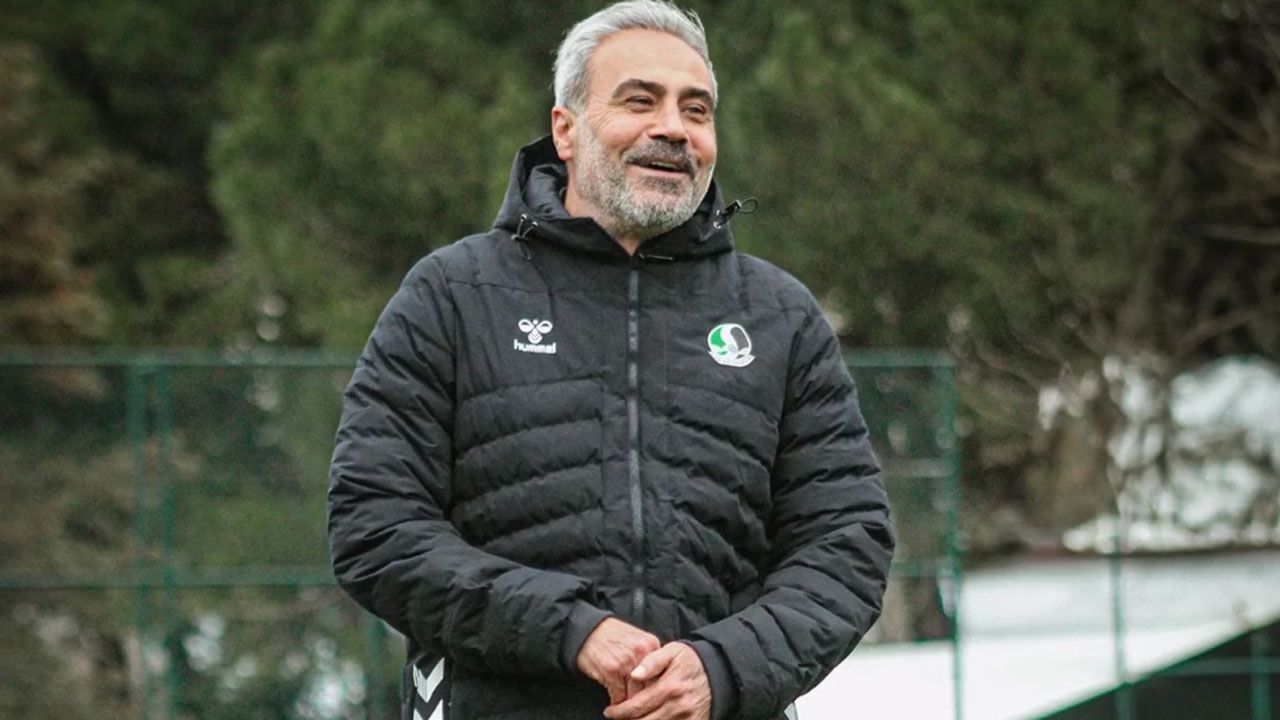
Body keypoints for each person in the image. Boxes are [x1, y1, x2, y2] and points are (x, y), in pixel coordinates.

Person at [327, 2, 894, 719]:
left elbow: (846, 544)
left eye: (696, 110)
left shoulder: (780, 316)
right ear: (565, 129)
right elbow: (375, 527)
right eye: (640, 101)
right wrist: (571, 630)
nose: (673, 128)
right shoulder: (452, 295)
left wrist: (720, 669)